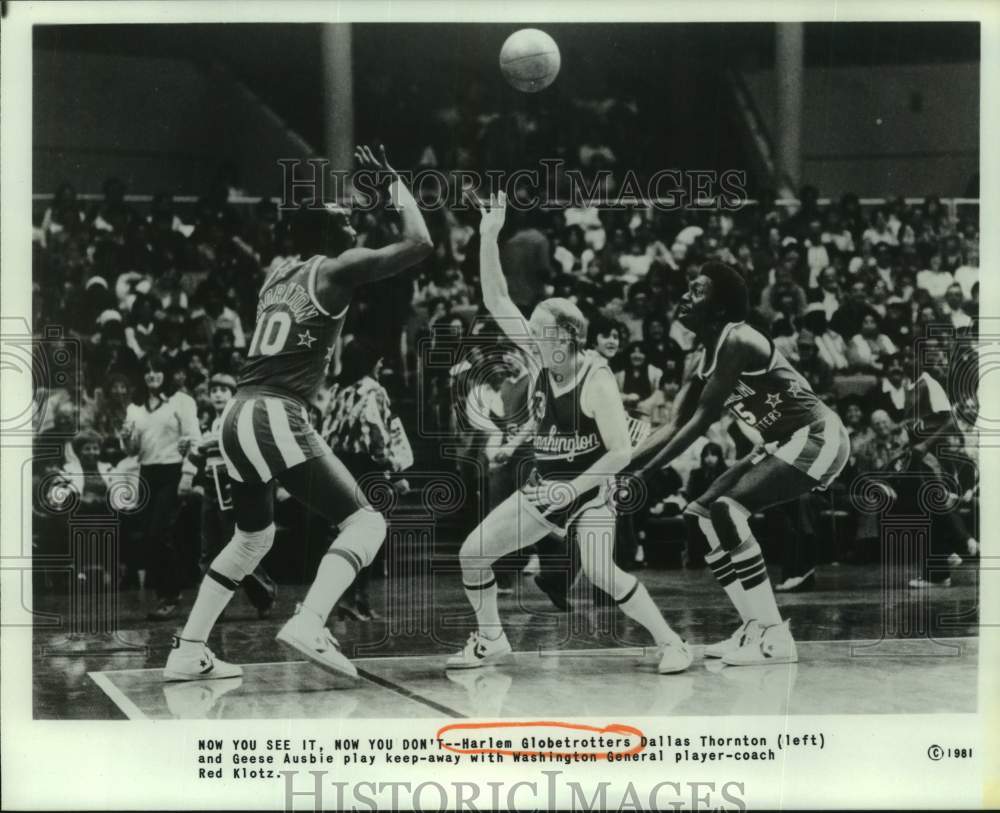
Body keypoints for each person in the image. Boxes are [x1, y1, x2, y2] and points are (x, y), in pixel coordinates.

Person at [164, 144, 432, 681]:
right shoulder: (334, 271)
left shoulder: (276, 278)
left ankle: (187, 650)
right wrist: (397, 185)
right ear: (326, 238)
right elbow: (419, 242)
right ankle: (311, 620)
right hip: (275, 413)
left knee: (252, 538)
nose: (353, 226)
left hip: (236, 414)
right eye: (344, 221)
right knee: (366, 521)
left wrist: (364, 208)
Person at [447, 193, 691, 675]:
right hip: (548, 485)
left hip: (592, 490)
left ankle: (672, 642)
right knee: (472, 553)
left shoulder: (596, 380)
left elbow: (621, 452)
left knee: (600, 569)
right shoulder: (543, 357)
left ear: (566, 337)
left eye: (538, 330)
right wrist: (489, 233)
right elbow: (496, 298)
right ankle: (492, 640)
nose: (527, 336)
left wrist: (573, 489)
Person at [633, 261, 850, 666]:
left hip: (817, 436)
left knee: (727, 508)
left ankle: (775, 637)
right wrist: (623, 466)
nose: (684, 296)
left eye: (696, 291)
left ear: (719, 308)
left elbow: (700, 422)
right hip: (780, 442)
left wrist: (643, 473)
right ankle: (754, 626)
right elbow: (673, 423)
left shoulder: (737, 339)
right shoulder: (706, 354)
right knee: (699, 514)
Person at [189, 372, 276, 619]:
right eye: (213, 390)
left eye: (223, 390)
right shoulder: (208, 424)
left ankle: (264, 594)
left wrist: (206, 445)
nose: (217, 394)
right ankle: (214, 605)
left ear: (232, 394)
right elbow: (198, 456)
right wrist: (192, 453)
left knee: (238, 546)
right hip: (209, 487)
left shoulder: (235, 418)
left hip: (231, 487)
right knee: (209, 549)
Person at [124, 355, 201, 618]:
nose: (152, 374)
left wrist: (188, 475)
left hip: (173, 471)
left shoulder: (182, 401)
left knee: (159, 533)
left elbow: (194, 440)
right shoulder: (135, 406)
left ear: (166, 373)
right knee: (149, 536)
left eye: (157, 369)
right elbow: (133, 450)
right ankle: (171, 591)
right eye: (147, 371)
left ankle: (169, 594)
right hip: (147, 472)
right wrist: (126, 440)